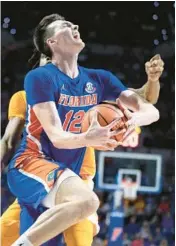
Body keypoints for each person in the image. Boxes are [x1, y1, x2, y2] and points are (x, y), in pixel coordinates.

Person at [6, 13, 161, 246]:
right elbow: (54, 137)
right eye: (65, 26)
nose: (75, 25)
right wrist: (89, 137)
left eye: (73, 23)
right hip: (33, 164)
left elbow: (150, 109)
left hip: (71, 177)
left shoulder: (98, 79)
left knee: (84, 205)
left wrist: (130, 122)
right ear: (52, 43)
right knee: (87, 202)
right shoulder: (38, 79)